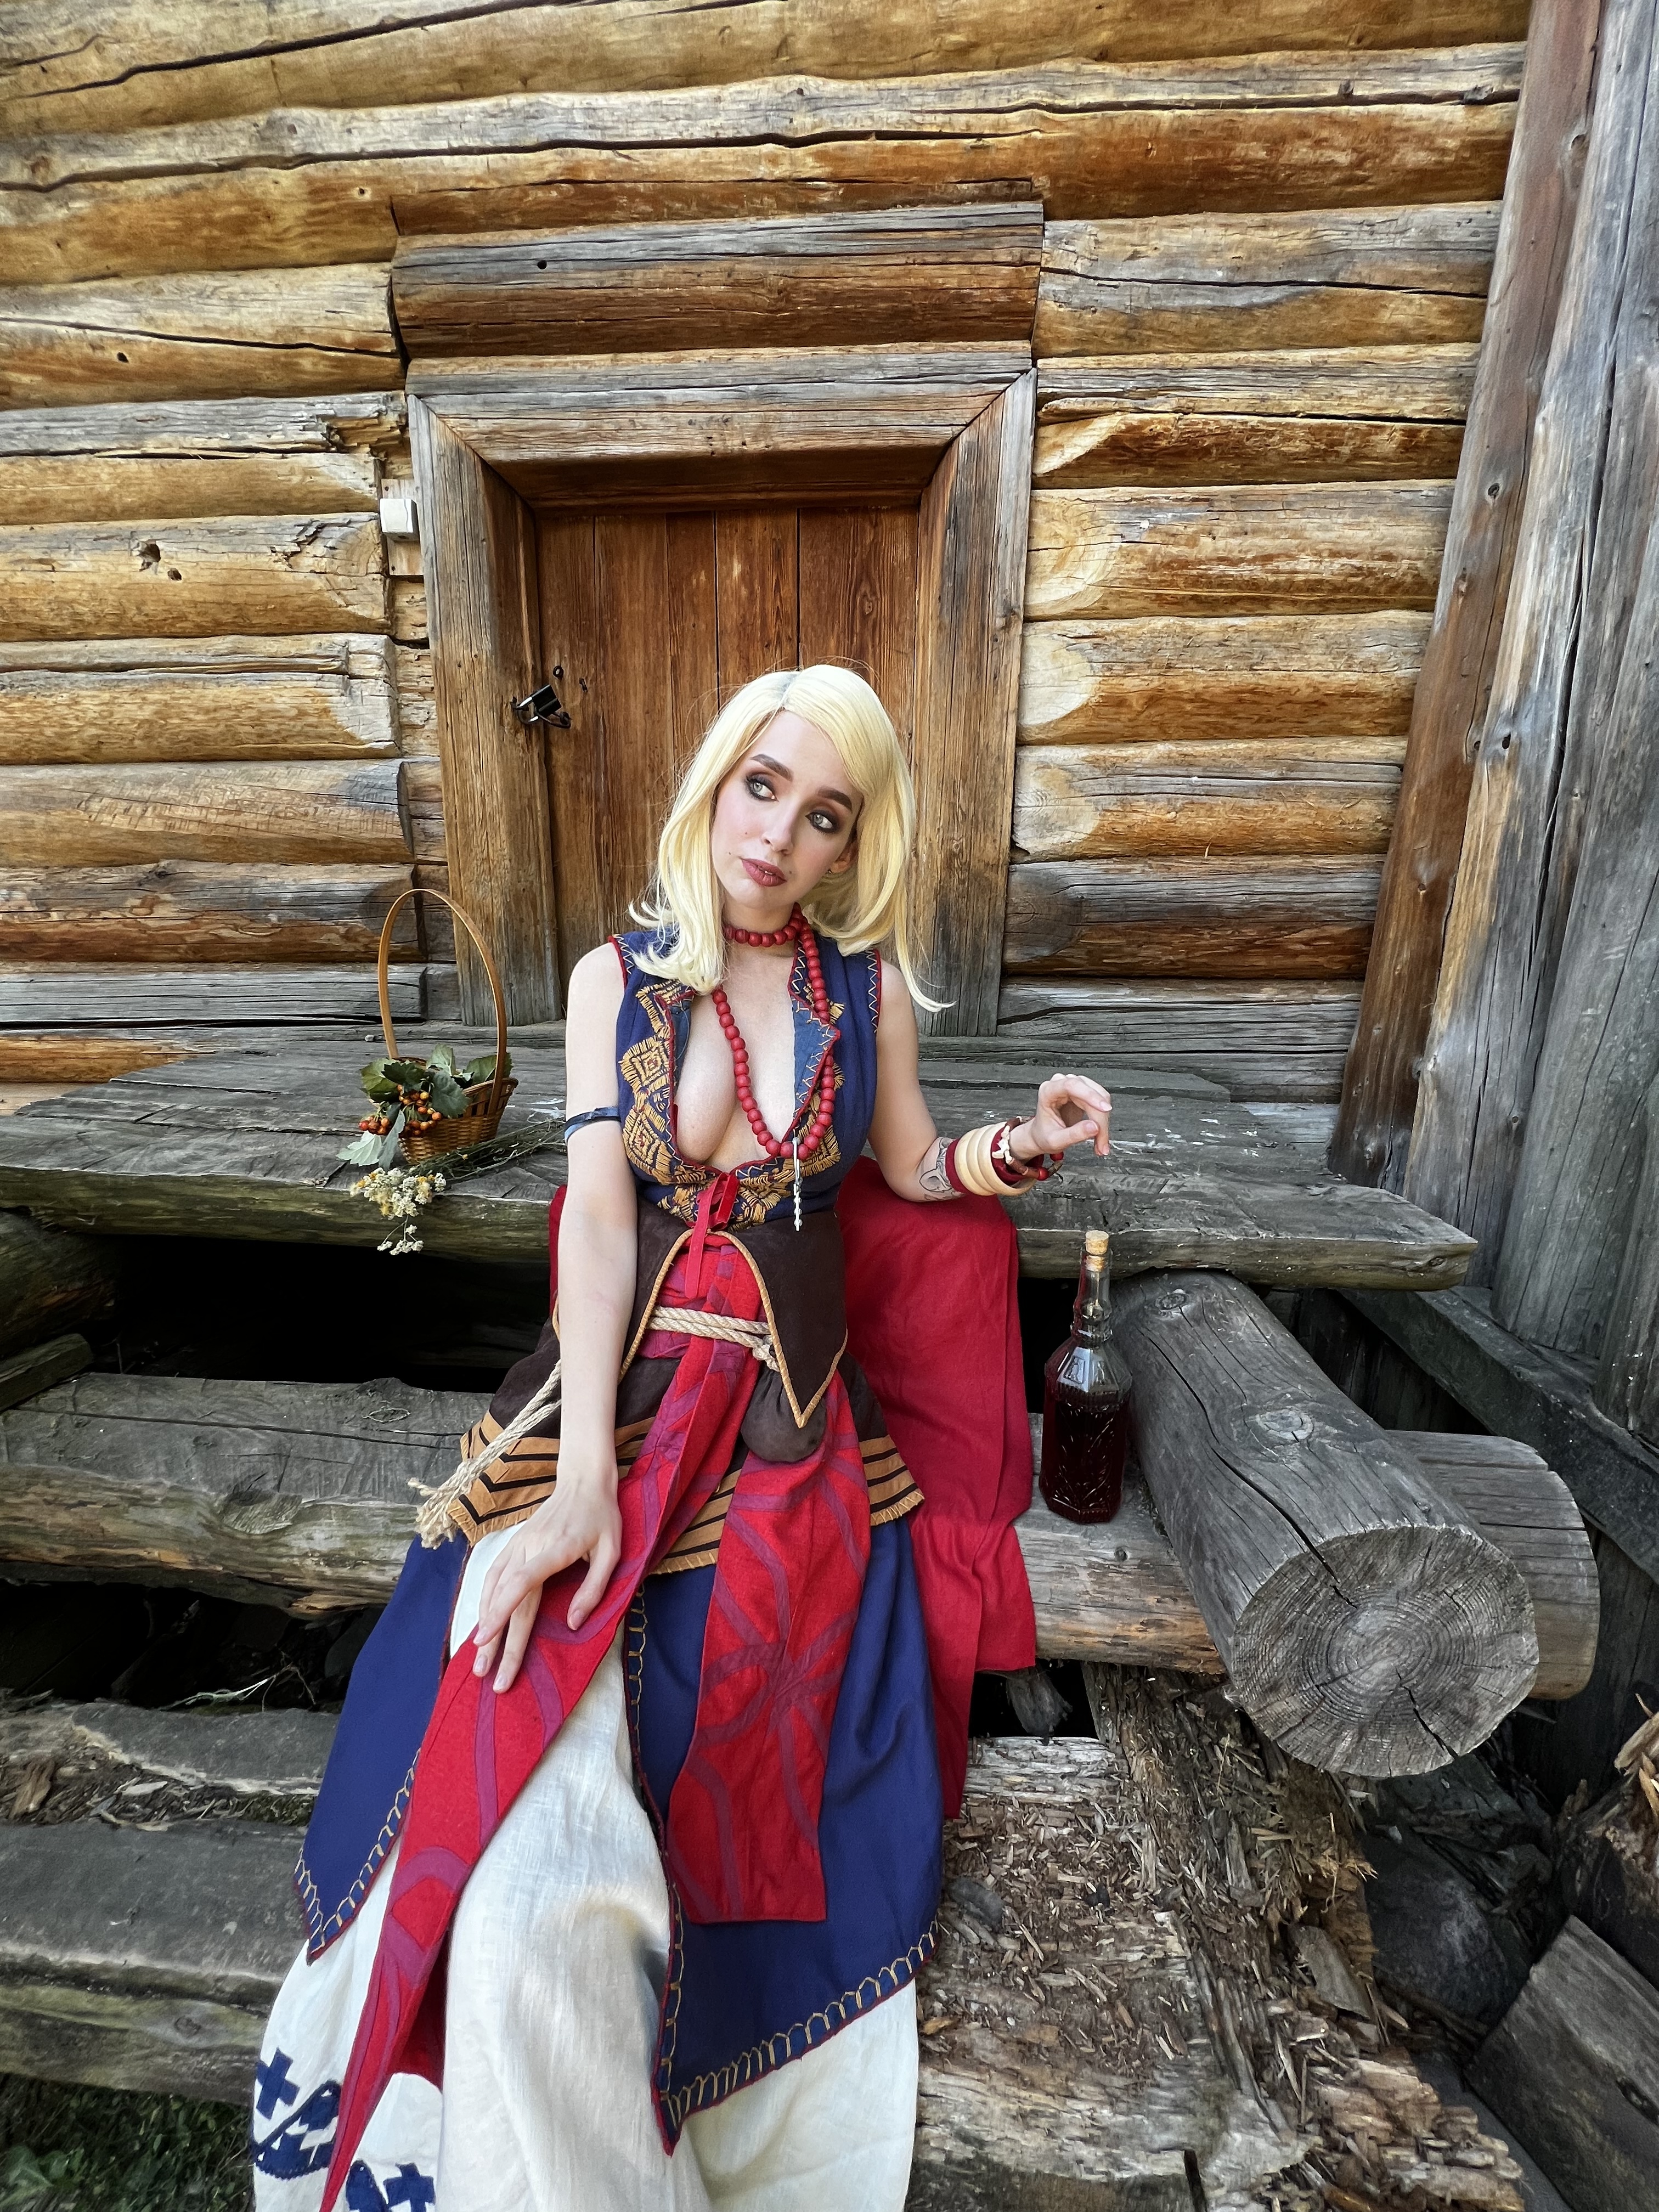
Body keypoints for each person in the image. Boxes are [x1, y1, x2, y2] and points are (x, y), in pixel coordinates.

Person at [250, 665, 1112, 2212]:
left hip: (784, 1426)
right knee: (511, 1677)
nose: (780, 833)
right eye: (762, 786)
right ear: (718, 782)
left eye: (825, 814)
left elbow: (914, 1168)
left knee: (727, 1724)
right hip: (628, 1394)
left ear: (853, 844)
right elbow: (597, 1216)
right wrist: (581, 1472)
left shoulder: (864, 991)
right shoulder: (615, 981)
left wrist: (1025, 1147)